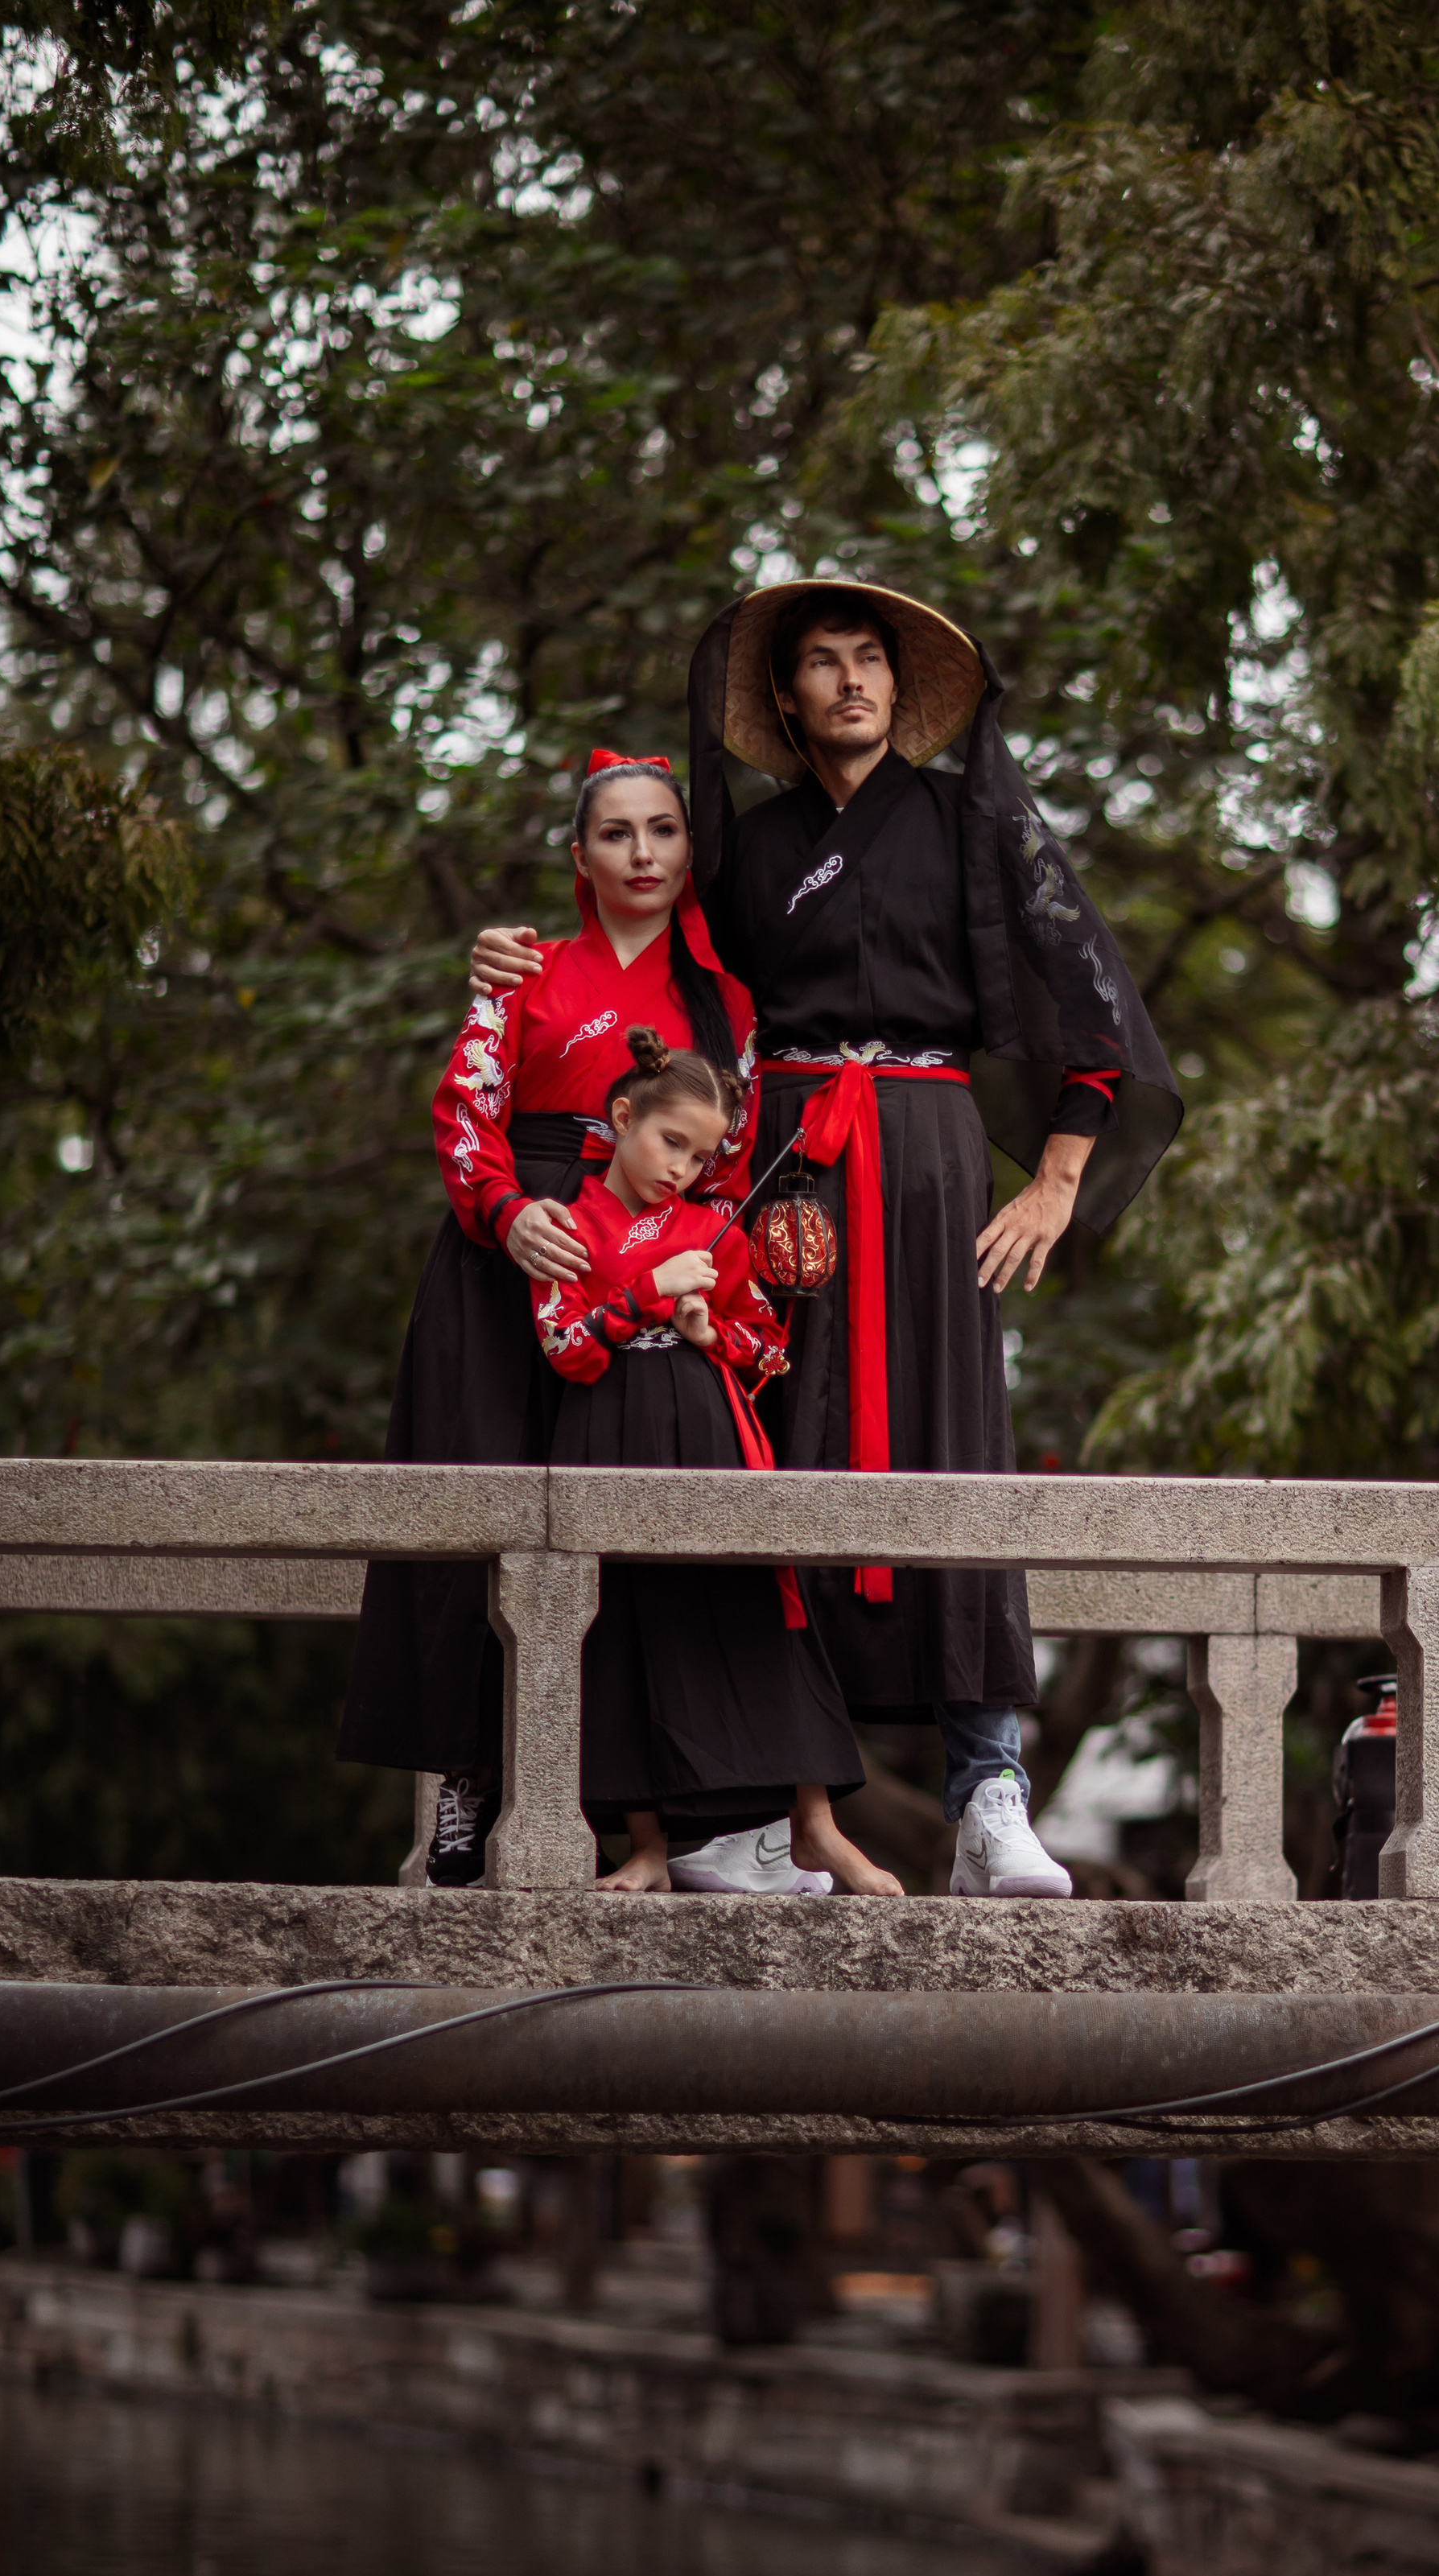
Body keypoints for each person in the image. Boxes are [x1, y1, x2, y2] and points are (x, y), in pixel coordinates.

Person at [468, 582, 1181, 1894]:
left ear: (899, 689)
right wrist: (510, 970)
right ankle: (756, 1806)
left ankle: (990, 1795)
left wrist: (1056, 1179)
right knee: (770, 1442)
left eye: (869, 659)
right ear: (787, 702)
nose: (850, 679)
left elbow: (1091, 995)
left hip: (928, 1150)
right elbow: (642, 959)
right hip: (784, 1158)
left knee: (954, 1441)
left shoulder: (971, 824)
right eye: (819, 662)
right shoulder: (751, 848)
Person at [339, 749, 827, 1895]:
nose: (642, 853)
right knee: (480, 1498)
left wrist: (670, 1263)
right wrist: (509, 1216)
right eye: (616, 833)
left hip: (645, 1274)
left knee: (636, 1537)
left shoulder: (726, 1002)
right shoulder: (523, 971)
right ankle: (469, 1782)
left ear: (690, 852)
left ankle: (654, 1811)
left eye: (663, 830)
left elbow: (727, 1162)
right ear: (580, 856)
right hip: (509, 1252)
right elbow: (466, 1112)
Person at [532, 1028, 901, 1898]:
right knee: (626, 1626)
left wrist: (710, 1332)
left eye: (701, 1158)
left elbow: (771, 1351)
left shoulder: (710, 1229)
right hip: (608, 1433)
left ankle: (815, 1827)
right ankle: (648, 1847)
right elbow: (563, 1347)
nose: (683, 1170)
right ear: (623, 1116)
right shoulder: (566, 1221)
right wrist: (645, 1295)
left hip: (710, 1430)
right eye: (671, 1143)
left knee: (764, 1614)